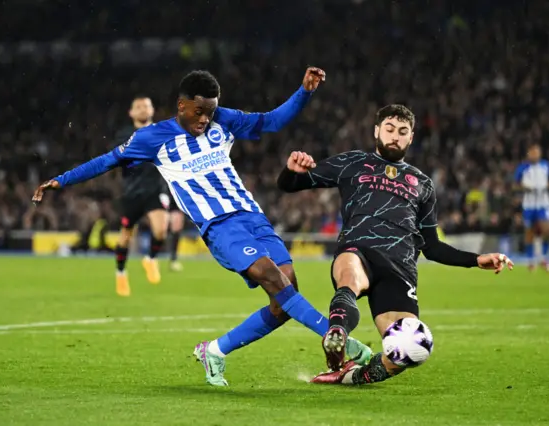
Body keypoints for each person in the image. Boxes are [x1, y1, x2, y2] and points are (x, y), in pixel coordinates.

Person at [32, 67, 371, 386]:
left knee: (283, 302)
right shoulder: (153, 138)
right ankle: (339, 339)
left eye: (211, 111)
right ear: (182, 106)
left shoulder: (223, 120)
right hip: (219, 226)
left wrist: (304, 92)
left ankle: (214, 352)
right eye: (199, 112)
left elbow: (270, 121)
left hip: (252, 215)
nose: (205, 119)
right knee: (273, 277)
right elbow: (107, 160)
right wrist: (61, 181)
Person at [277, 104, 514, 385]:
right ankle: (337, 334)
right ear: (377, 130)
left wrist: (475, 260)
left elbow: (433, 246)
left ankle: (351, 376)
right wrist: (291, 171)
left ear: (411, 137)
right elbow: (290, 184)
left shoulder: (422, 184)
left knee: (411, 347)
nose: (395, 136)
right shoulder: (353, 163)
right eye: (389, 129)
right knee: (350, 277)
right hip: (358, 250)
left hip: (400, 268)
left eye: (402, 132)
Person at [114, 96, 171, 296]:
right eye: (138, 106)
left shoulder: (162, 131)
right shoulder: (123, 134)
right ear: (131, 113)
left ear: (152, 109)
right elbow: (122, 158)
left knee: (162, 229)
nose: (143, 109)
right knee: (126, 237)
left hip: (156, 189)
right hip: (132, 192)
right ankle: (120, 273)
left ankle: (151, 258)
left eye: (146, 105)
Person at [513, 143, 549, 272]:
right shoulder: (522, 168)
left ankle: (544, 258)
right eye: (532, 152)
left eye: (537, 152)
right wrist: (524, 188)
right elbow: (515, 185)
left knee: (547, 230)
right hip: (529, 204)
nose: (535, 155)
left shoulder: (546, 165)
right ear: (528, 154)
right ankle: (531, 261)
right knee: (529, 232)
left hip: (543, 203)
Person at [167, 196, 186, 272]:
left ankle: (173, 259)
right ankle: (152, 258)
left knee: (176, 231)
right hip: (162, 203)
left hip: (174, 205)